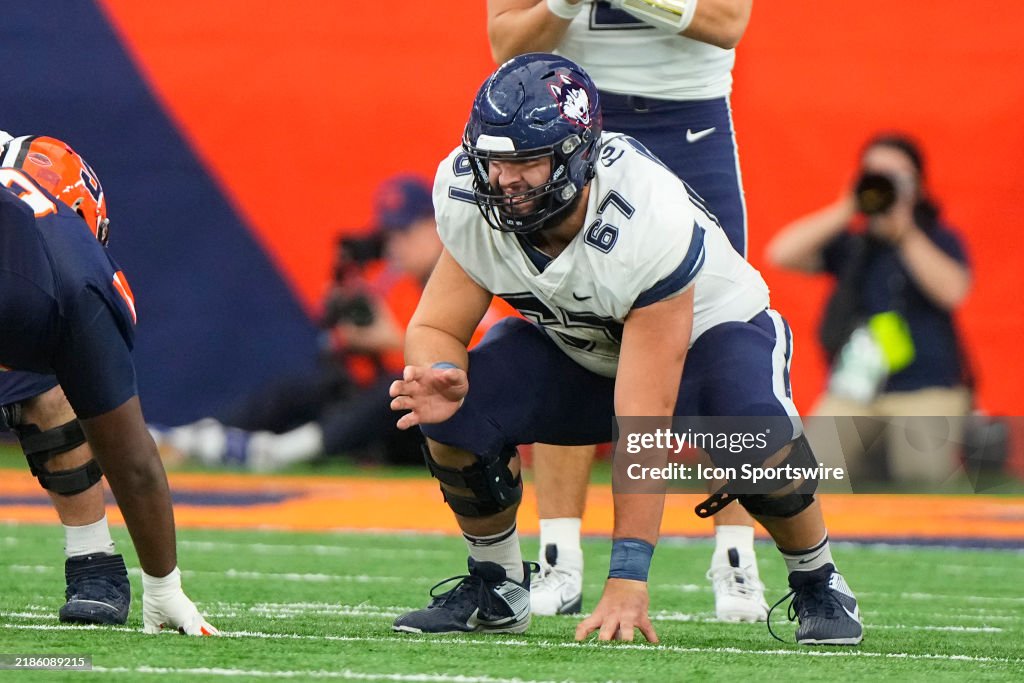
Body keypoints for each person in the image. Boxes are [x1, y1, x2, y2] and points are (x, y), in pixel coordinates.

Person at [388, 54, 862, 645]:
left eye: (527, 162)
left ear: (578, 156)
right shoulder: (468, 195)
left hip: (706, 340)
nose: (505, 181)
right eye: (495, 162)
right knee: (452, 408)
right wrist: (440, 372)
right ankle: (498, 584)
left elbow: (643, 427)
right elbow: (435, 326)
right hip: (584, 347)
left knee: (753, 441)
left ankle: (817, 578)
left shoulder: (644, 217)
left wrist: (627, 579)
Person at [486, 0, 764, 621]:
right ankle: (559, 557)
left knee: (721, 335)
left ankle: (737, 555)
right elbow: (506, 40)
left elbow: (726, 23)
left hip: (689, 119)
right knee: (567, 328)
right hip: (569, 125)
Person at [0, 132, 217, 635]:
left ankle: (93, 564)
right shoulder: (77, 281)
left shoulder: (66, 281)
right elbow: (133, 461)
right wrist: (164, 588)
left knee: (49, 389)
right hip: (51, 295)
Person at [164, 175, 510, 470]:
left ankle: (283, 452)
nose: (395, 246)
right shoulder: (397, 289)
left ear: (435, 227)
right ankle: (192, 437)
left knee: (393, 389)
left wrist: (391, 341)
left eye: (404, 233)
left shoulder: (467, 276)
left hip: (455, 422)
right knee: (319, 384)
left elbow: (474, 365)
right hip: (403, 419)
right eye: (389, 236)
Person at [765, 133, 972, 483]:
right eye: (876, 174)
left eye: (897, 176)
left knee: (924, 475)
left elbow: (953, 291)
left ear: (918, 185)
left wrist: (904, 233)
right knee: (811, 471)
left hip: (927, 386)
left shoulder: (938, 237)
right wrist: (847, 206)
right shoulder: (853, 244)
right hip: (855, 388)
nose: (885, 183)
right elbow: (781, 254)